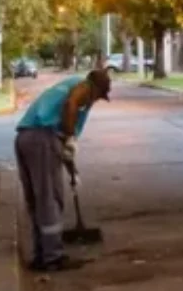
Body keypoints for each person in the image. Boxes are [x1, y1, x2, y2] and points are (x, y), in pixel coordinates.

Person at [15, 68, 112, 271]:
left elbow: (64, 138)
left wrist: (70, 165)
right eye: (98, 96)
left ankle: (40, 254)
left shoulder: (68, 85)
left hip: (26, 138)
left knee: (37, 199)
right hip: (43, 139)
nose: (95, 101)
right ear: (94, 89)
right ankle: (53, 258)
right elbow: (71, 105)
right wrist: (69, 138)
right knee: (50, 198)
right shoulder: (81, 89)